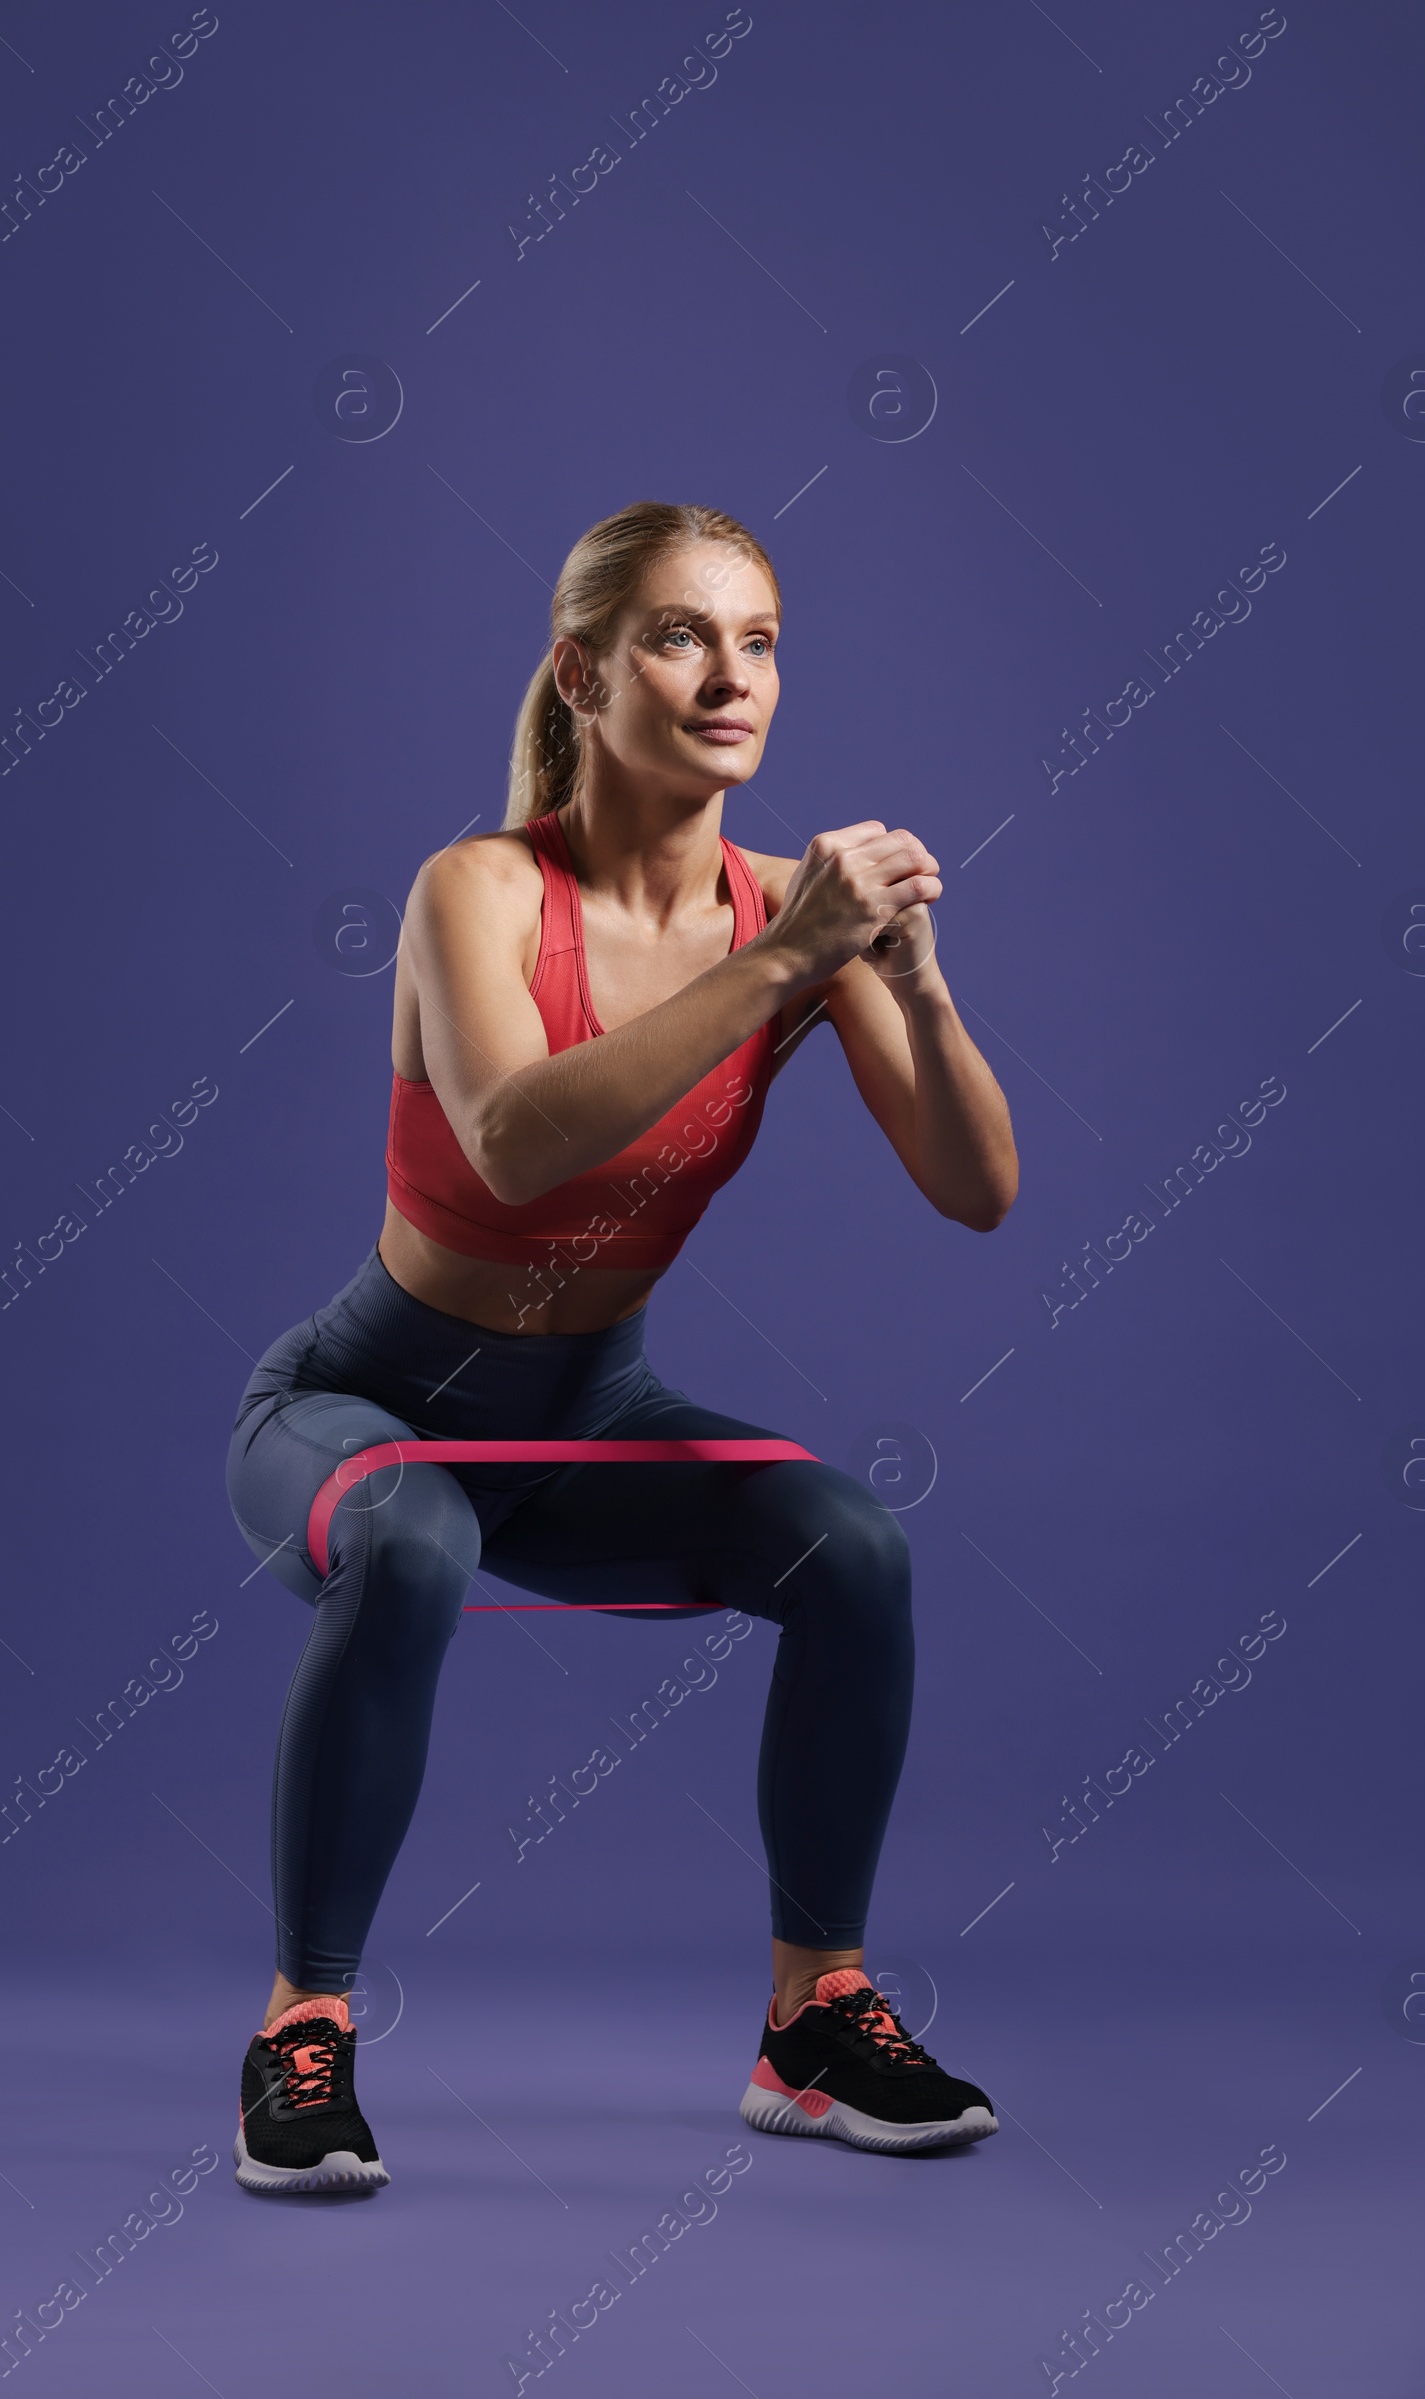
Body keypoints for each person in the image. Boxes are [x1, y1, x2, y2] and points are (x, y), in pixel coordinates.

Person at [224, 501, 1019, 2193]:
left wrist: (915, 986)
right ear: (583, 673)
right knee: (414, 1528)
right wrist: (795, 957)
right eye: (679, 635)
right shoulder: (478, 891)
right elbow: (516, 1142)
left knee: (855, 1547)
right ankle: (305, 2035)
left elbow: (978, 1191)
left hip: (590, 1418)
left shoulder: (791, 913)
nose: (729, 674)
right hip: (361, 1404)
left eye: (760, 641)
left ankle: (814, 2022)